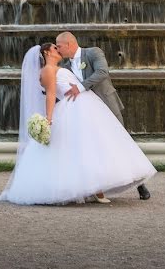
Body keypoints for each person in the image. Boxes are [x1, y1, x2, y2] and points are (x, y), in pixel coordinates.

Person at [0, 43, 156, 205]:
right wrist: (49, 118)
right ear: (46, 52)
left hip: (88, 105)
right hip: (72, 109)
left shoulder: (65, 66)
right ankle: (93, 190)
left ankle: (97, 188)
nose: (58, 50)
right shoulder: (47, 71)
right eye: (54, 48)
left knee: (96, 146)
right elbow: (51, 95)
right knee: (82, 148)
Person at [56, 31, 152, 201]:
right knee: (96, 146)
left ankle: (140, 184)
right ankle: (96, 187)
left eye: (59, 46)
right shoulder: (65, 67)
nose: (58, 49)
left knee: (121, 142)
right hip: (86, 112)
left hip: (107, 105)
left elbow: (102, 72)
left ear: (69, 44)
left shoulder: (93, 52)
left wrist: (81, 87)